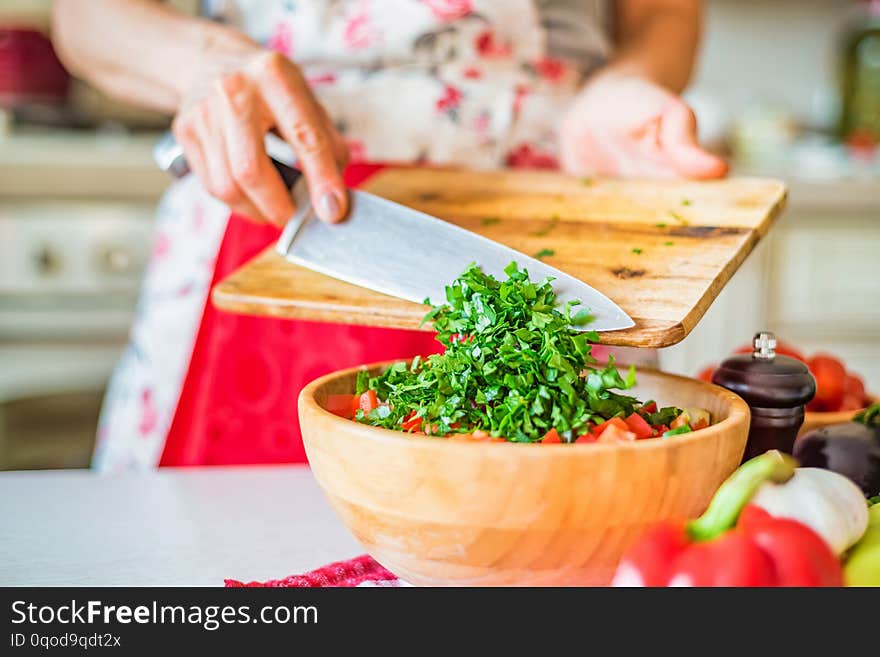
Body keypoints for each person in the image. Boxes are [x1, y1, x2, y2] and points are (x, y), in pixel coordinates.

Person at [52, 0, 727, 471]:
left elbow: (664, 14)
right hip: (272, 196)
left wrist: (623, 85)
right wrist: (205, 64)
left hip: (547, 216)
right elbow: (85, 17)